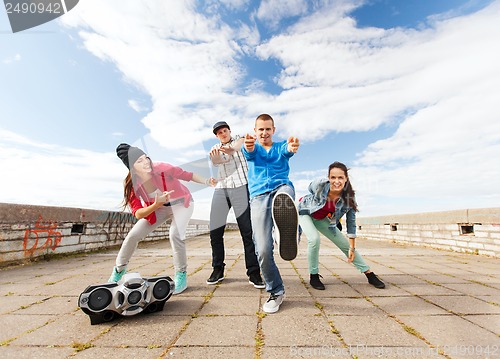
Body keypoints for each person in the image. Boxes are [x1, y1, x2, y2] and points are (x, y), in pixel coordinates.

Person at [109, 143, 216, 295]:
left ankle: (181, 275)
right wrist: (156, 205)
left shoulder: (162, 168)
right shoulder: (133, 184)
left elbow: (188, 175)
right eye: (139, 161)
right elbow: (138, 213)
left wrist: (207, 181)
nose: (145, 162)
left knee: (175, 234)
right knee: (133, 236)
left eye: (144, 158)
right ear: (132, 167)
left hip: (182, 204)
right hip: (158, 208)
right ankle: (118, 270)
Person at [242, 114, 300, 313]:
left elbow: (288, 149)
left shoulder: (280, 147)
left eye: (268, 129)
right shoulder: (252, 147)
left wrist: (292, 147)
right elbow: (248, 152)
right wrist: (249, 146)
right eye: (261, 129)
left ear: (273, 130)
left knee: (285, 197)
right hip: (258, 197)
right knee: (263, 250)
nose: (264, 133)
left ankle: (291, 232)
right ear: (255, 131)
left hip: (281, 188)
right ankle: (276, 290)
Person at [298, 161, 385, 290]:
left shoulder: (349, 198)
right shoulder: (321, 184)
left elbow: (351, 223)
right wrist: (319, 183)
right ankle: (314, 276)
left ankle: (369, 274)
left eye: (340, 177)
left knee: (345, 245)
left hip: (321, 218)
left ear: (346, 179)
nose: (336, 181)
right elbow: (310, 188)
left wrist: (352, 247)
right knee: (314, 239)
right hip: (305, 211)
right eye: (333, 177)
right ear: (328, 178)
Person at [207, 121, 264, 288]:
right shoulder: (215, 148)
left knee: (247, 231)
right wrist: (218, 157)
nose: (223, 134)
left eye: (224, 130)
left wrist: (232, 149)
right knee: (215, 231)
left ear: (229, 131)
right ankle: (218, 269)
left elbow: (241, 143)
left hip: (241, 187)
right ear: (217, 136)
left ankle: (253, 272)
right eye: (219, 133)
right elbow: (217, 162)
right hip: (222, 189)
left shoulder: (239, 139)